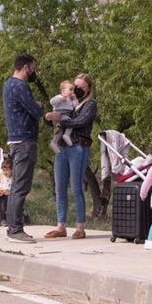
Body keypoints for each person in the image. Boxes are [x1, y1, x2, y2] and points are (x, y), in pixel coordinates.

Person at [44, 73, 98, 240]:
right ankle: (61, 225)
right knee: (60, 187)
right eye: (75, 86)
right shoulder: (68, 101)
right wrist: (50, 118)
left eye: (81, 87)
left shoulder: (90, 104)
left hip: (78, 147)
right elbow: (56, 117)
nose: (77, 89)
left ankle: (80, 226)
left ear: (88, 88)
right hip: (62, 147)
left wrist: (60, 120)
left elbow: (80, 122)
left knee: (76, 187)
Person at [2, 53, 43, 243]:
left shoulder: (8, 85)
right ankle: (15, 230)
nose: (34, 72)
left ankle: (12, 227)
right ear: (26, 67)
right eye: (33, 67)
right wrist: (41, 106)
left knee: (17, 186)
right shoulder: (20, 86)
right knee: (20, 187)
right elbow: (35, 111)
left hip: (16, 140)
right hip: (25, 141)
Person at [49, 80, 76, 153]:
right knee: (71, 123)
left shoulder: (70, 100)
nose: (72, 92)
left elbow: (75, 106)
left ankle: (54, 142)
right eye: (70, 89)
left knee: (59, 131)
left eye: (73, 90)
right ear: (63, 91)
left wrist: (75, 99)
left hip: (65, 116)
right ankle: (66, 135)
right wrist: (59, 99)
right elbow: (52, 102)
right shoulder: (59, 96)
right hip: (59, 115)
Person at [0, 157, 13, 226]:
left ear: (12, 170)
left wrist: (10, 191)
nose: (5, 172)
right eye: (3, 170)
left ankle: (13, 218)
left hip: (10, 194)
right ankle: (2, 219)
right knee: (2, 204)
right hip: (2, 195)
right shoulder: (1, 176)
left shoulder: (14, 177)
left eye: (7, 170)